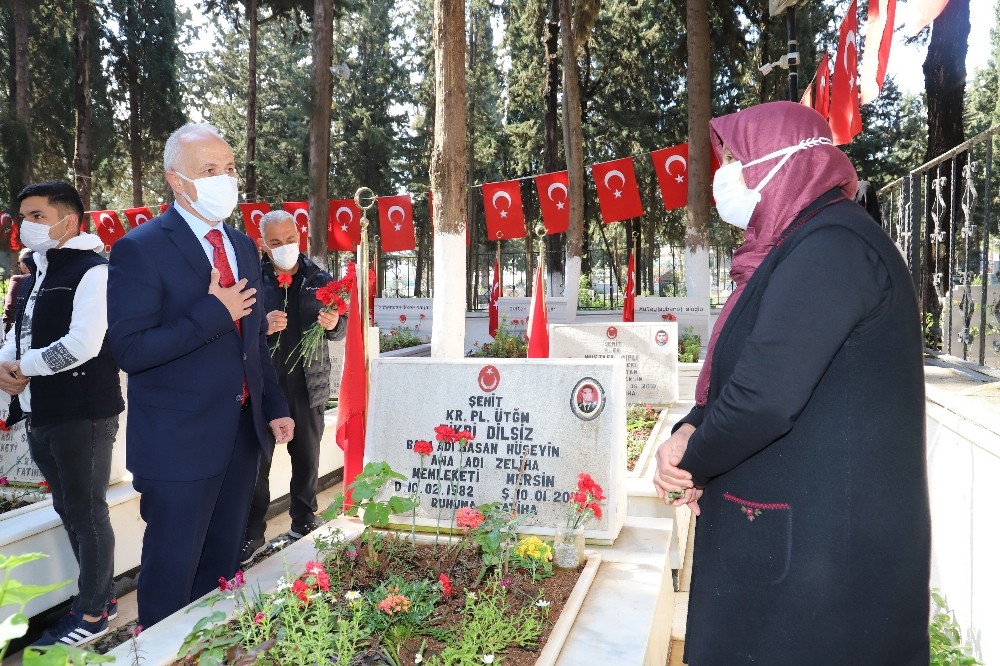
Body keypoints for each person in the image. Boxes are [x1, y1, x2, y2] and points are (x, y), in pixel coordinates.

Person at [653, 102, 930, 665]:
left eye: (732, 161)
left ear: (775, 164)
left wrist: (691, 461)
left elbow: (763, 397)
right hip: (792, 540)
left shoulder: (832, 248)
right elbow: (742, 371)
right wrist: (689, 429)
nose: (721, 178)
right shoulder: (797, 247)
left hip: (824, 564)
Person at [107, 123, 294, 629]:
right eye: (209, 170)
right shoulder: (139, 249)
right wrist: (213, 312)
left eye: (229, 168)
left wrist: (273, 405)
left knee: (222, 566)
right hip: (178, 443)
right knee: (172, 571)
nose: (225, 179)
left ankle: (209, 648)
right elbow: (129, 349)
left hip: (240, 435)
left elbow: (253, 342)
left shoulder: (239, 245)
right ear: (176, 181)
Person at [0, 182, 124, 647]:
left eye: (35, 216)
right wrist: (3, 365)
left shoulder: (93, 271)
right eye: (21, 217)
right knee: (68, 509)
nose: (24, 227)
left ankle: (93, 616)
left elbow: (83, 344)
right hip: (40, 411)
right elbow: (21, 335)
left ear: (67, 221)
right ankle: (97, 598)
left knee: (88, 514)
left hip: (83, 412)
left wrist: (23, 367)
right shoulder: (38, 274)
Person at [240, 210, 345, 564]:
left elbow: (340, 328)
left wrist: (333, 323)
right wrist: (262, 326)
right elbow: (235, 329)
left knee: (307, 459)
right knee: (258, 465)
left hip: (308, 383)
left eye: (290, 240)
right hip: (264, 388)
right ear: (262, 245)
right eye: (275, 243)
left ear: (299, 237)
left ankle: (303, 520)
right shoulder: (250, 279)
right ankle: (252, 535)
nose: (285, 247)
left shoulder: (320, 278)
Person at [4, 248, 35, 334]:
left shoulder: (17, 279)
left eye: (19, 263)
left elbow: (9, 309)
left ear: (25, 264)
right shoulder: (47, 279)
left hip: (18, 329)